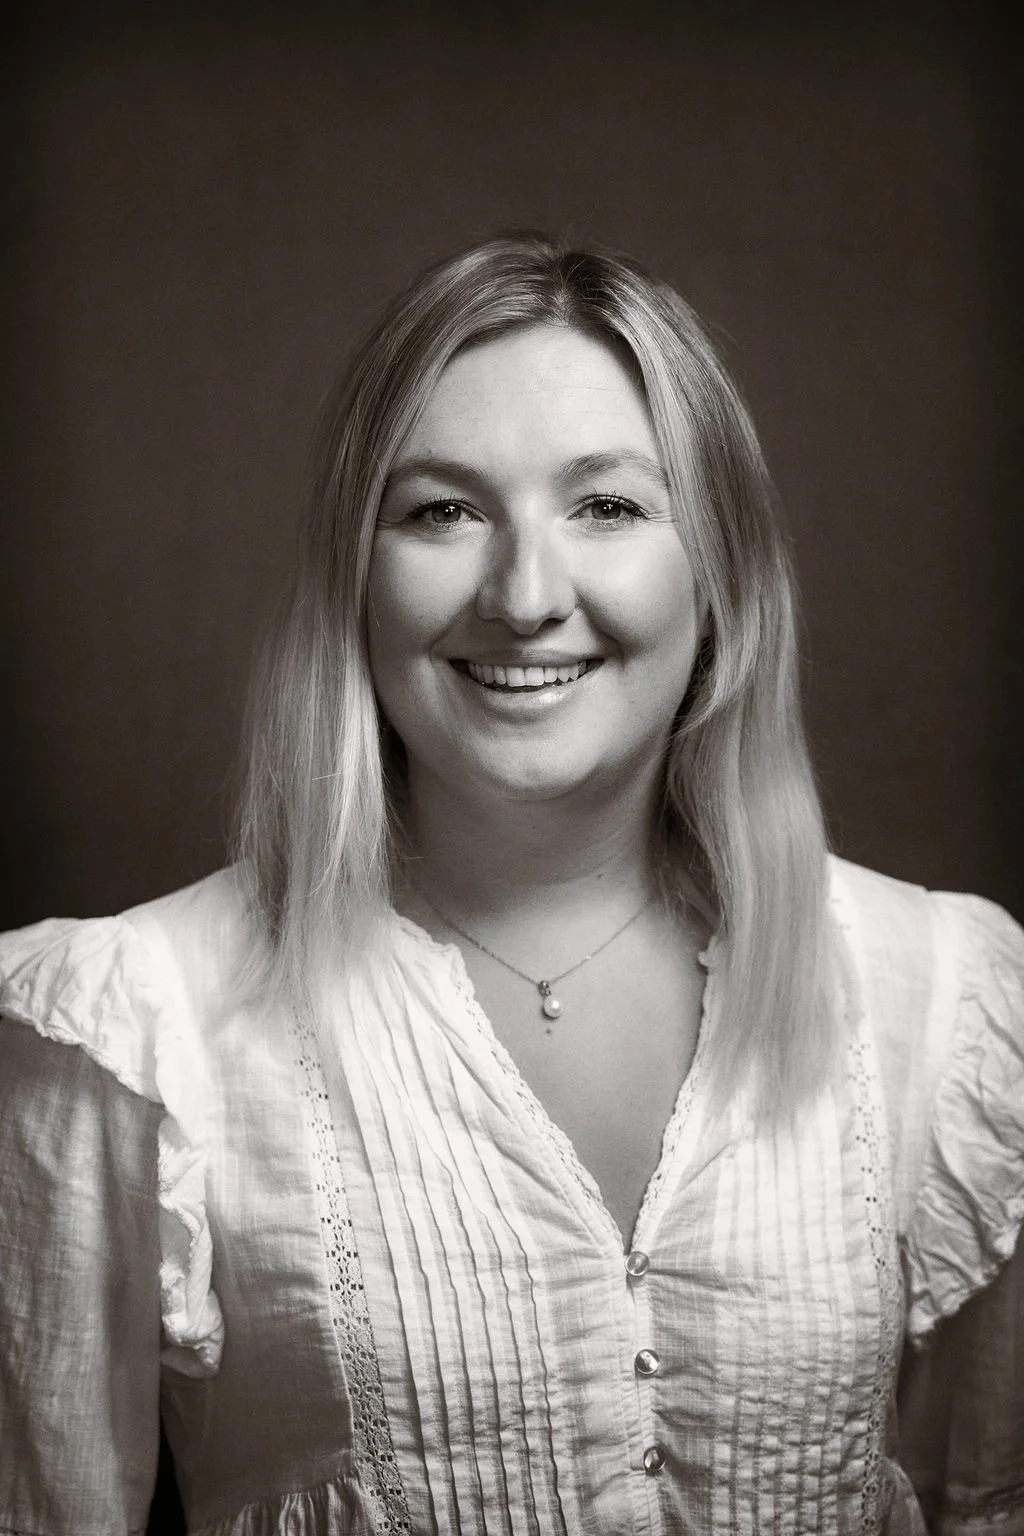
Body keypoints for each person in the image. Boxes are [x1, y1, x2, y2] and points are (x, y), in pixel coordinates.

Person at [1, 234, 1021, 1536]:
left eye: (605, 506)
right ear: (352, 578)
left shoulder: (948, 1001)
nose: (527, 596)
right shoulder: (126, 1030)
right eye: (442, 510)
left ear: (719, 575)